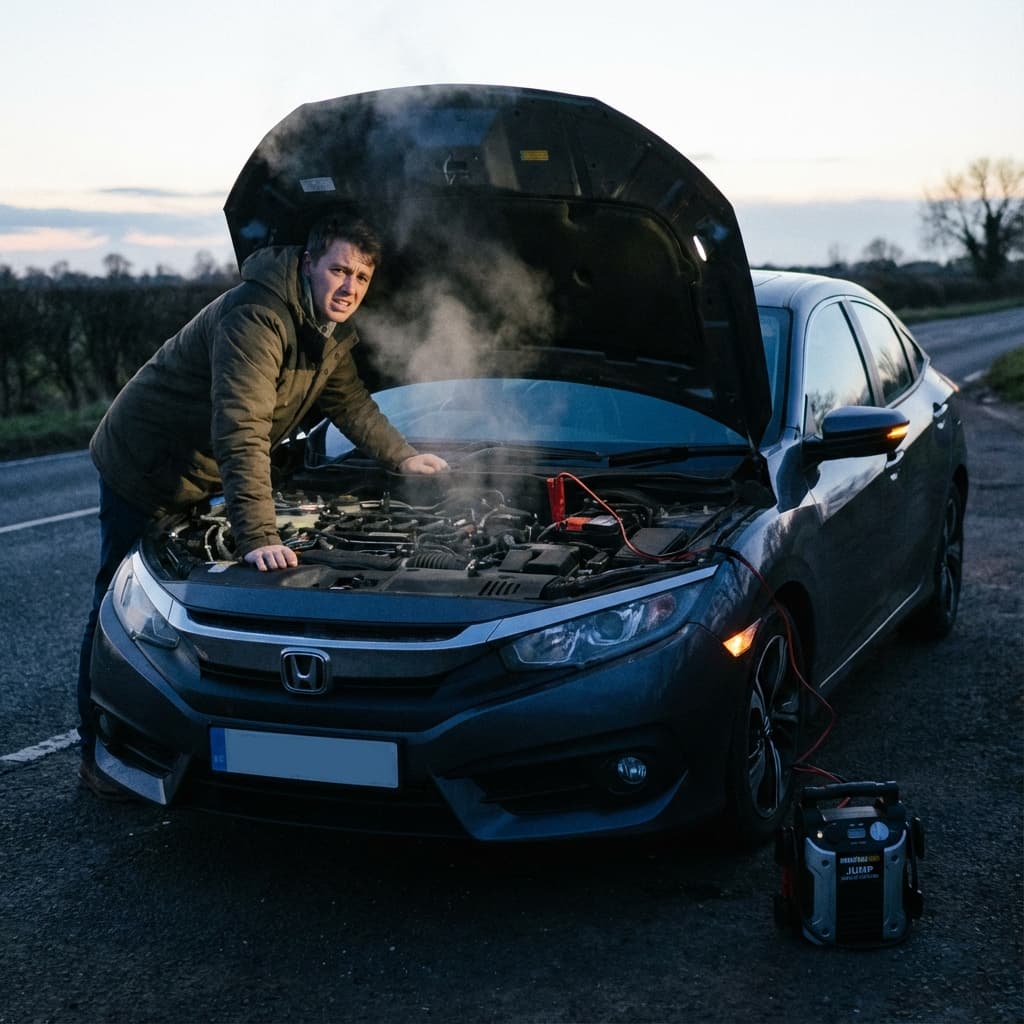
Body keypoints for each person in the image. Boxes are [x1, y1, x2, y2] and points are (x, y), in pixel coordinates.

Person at [77, 211, 448, 798]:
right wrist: (258, 535)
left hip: (199, 471)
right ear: (308, 263)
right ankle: (98, 753)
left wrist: (403, 457)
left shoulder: (326, 332)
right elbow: (242, 430)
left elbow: (352, 403)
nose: (349, 287)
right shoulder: (258, 315)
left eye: (361, 277)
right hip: (144, 466)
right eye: (339, 270)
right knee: (119, 605)